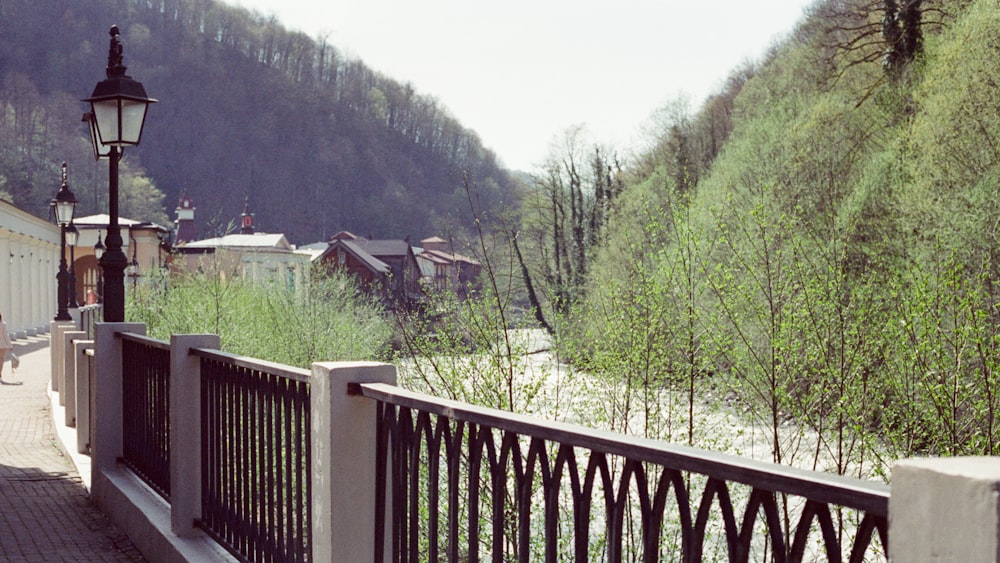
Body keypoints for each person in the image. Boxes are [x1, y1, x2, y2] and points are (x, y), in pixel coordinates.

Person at [0, 312, 12, 381]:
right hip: (2, 344)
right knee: (1, 359)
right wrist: (10, 345)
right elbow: (6, 336)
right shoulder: (3, 325)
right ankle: (0, 374)